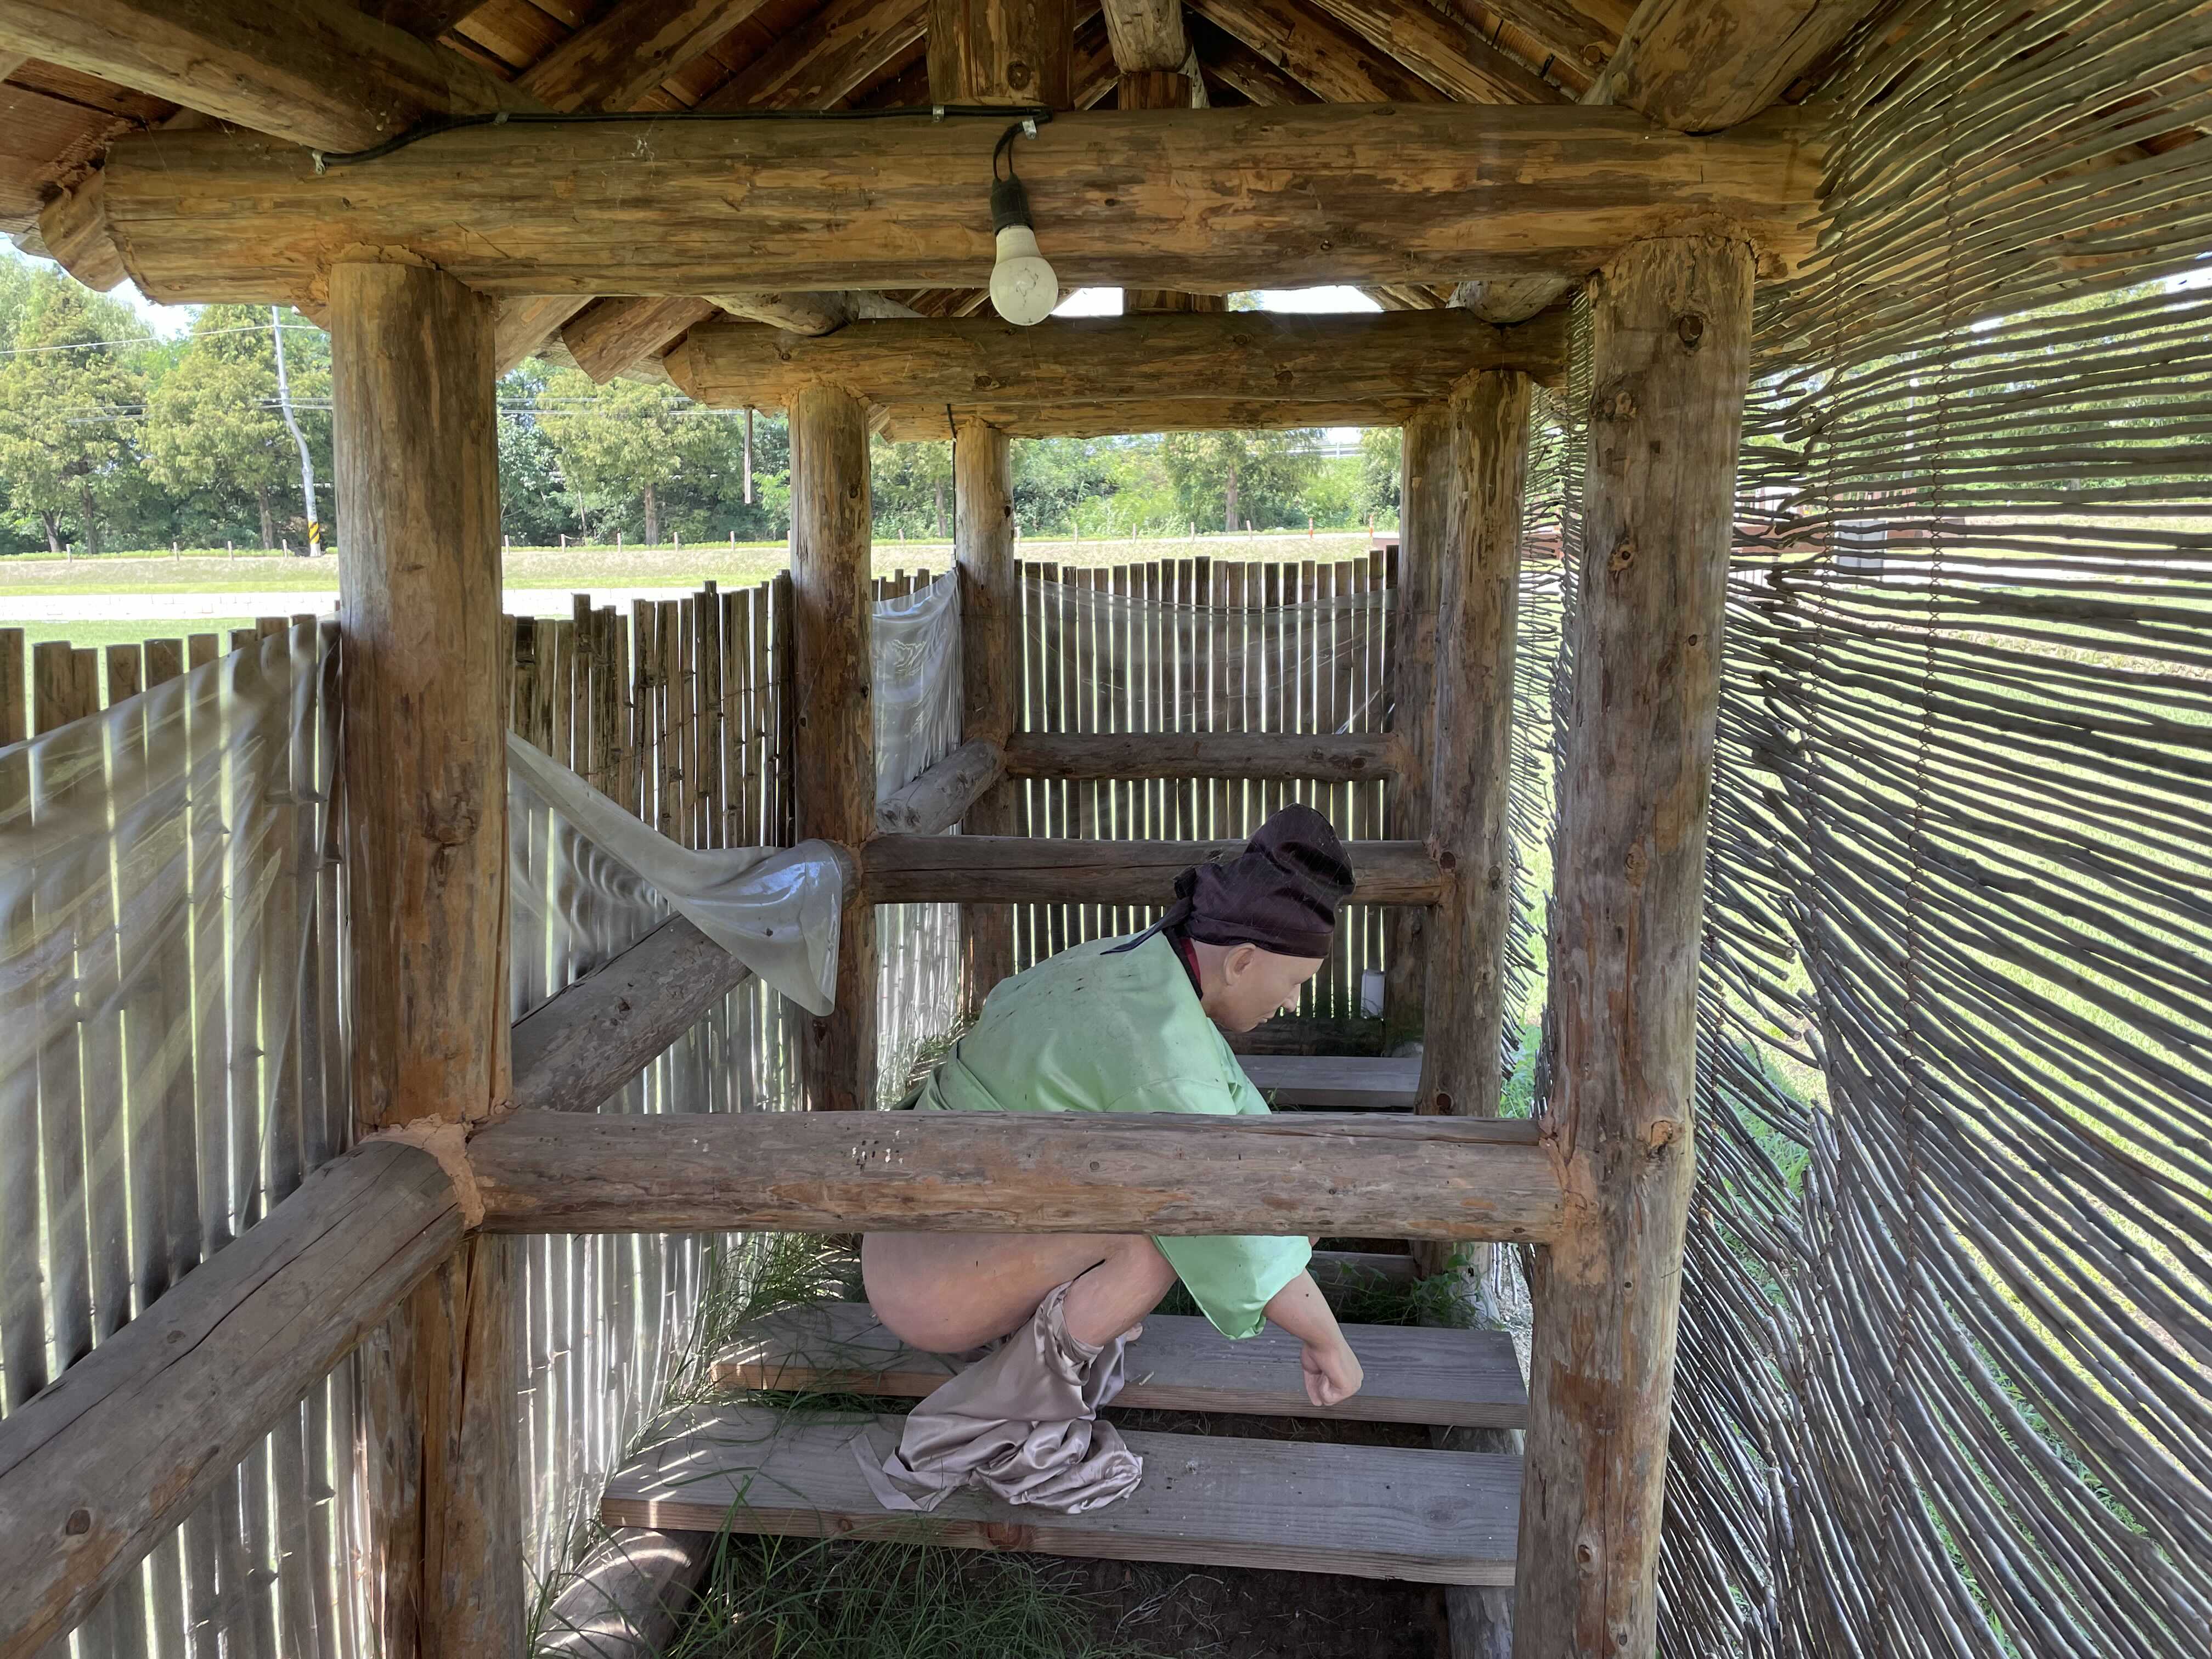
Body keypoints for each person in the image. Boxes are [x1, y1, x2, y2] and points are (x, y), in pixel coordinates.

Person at [856, 804, 1365, 1514]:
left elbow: (1237, 1123)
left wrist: (1295, 1202)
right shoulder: (1158, 1047)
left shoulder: (1139, 963)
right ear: (1243, 960)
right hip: (924, 1274)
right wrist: (1327, 1339)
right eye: (1296, 981)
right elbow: (1225, 1221)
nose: (1293, 1002)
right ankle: (998, 1427)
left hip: (914, 1228)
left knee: (1160, 1209)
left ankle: (1034, 1352)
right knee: (1155, 1238)